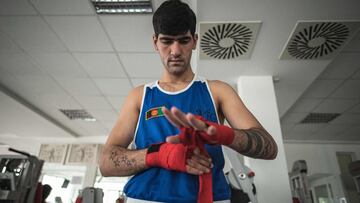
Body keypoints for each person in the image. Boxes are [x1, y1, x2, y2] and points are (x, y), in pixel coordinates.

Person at [99, 0, 278, 202]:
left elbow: (270, 148)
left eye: (183, 41)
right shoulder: (139, 96)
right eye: (167, 41)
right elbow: (106, 163)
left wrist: (224, 134)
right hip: (144, 198)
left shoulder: (218, 91)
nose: (175, 51)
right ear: (155, 42)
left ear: (194, 40)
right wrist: (159, 154)